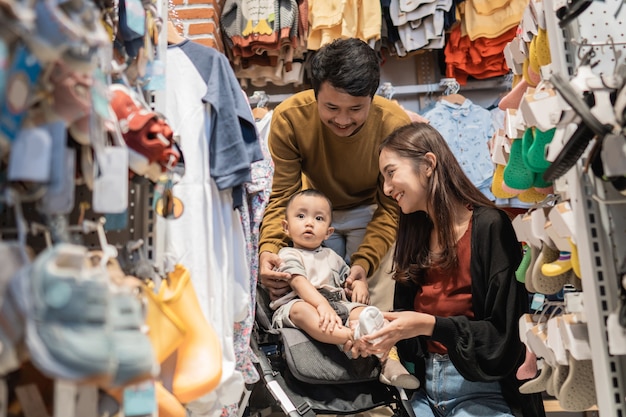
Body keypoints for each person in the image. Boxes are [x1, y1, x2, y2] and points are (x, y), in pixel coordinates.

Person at [352, 123, 545, 416]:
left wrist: (428, 324)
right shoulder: (413, 235)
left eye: (391, 173)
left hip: (482, 390)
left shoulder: (490, 225)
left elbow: (505, 336)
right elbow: (408, 326)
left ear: (428, 164)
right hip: (422, 392)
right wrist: (378, 338)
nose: (387, 188)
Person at [258, 37, 422, 313]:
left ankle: (381, 351)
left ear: (372, 97)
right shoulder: (289, 118)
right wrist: (269, 249)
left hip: (373, 210)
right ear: (314, 95)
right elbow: (282, 196)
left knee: (372, 293)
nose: (343, 120)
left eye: (356, 109)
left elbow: (391, 208)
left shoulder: (393, 123)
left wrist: (363, 263)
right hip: (316, 211)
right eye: (331, 108)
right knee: (310, 287)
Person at [270, 189, 419, 389]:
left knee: (370, 312)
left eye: (319, 218)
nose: (309, 222)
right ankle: (352, 337)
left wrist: (358, 284)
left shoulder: (332, 256)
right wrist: (321, 305)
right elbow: (298, 282)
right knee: (301, 311)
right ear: (286, 228)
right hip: (299, 303)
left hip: (336, 304)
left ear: (328, 232)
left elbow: (347, 280)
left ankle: (390, 363)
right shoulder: (287, 254)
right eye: (301, 216)